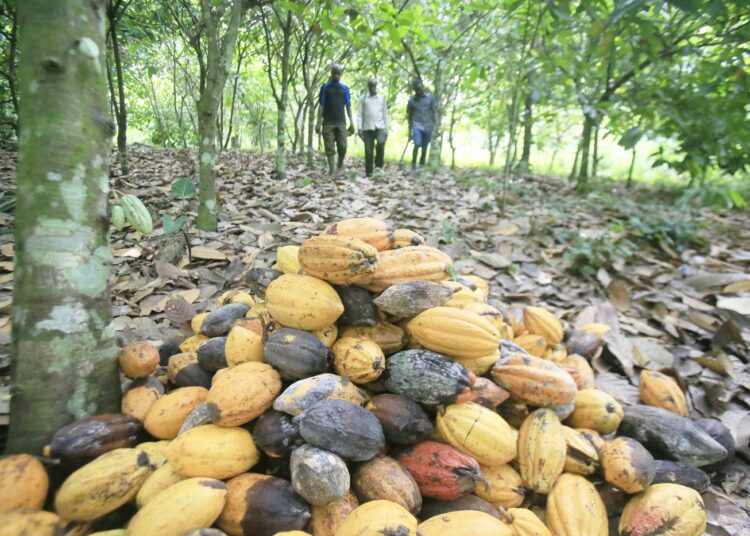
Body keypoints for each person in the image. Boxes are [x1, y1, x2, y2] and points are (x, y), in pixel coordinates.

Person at [315, 64, 355, 175]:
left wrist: (352, 122)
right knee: (329, 147)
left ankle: (339, 164)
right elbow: (321, 105)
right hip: (328, 122)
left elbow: (348, 106)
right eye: (334, 73)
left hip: (341, 122)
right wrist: (318, 122)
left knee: (343, 146)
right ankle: (332, 170)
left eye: (338, 73)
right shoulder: (325, 87)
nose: (336, 76)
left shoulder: (344, 88)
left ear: (341, 74)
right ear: (331, 74)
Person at [357, 78, 389, 177]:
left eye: (374, 86)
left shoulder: (381, 98)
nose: (373, 88)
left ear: (376, 86)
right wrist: (359, 128)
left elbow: (385, 114)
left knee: (380, 143)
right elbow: (360, 114)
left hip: (380, 126)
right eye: (371, 86)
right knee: (368, 150)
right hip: (367, 127)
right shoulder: (363, 99)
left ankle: (379, 168)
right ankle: (369, 172)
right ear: (368, 86)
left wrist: (386, 128)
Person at [407, 78, 437, 170]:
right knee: (417, 144)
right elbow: (409, 117)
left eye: (419, 89)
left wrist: (435, 126)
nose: (418, 91)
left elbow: (434, 111)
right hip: (417, 125)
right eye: (416, 90)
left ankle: (421, 167)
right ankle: (413, 163)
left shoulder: (430, 98)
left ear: (423, 87)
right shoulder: (412, 100)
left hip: (428, 125)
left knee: (424, 148)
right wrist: (409, 131)